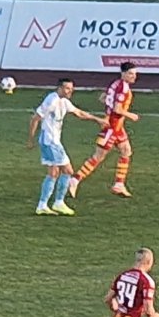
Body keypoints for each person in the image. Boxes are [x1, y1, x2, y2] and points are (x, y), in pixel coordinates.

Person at [29, 78, 103, 216]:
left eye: (72, 88)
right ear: (60, 88)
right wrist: (31, 139)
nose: (70, 91)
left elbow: (79, 113)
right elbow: (35, 118)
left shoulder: (64, 102)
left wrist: (97, 120)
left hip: (51, 141)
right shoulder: (51, 100)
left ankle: (44, 205)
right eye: (68, 88)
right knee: (67, 171)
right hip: (50, 142)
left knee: (53, 173)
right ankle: (57, 203)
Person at [71, 63, 140, 199]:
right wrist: (131, 115)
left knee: (126, 150)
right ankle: (75, 179)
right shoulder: (123, 88)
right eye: (131, 74)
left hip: (117, 127)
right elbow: (117, 109)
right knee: (98, 156)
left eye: (135, 74)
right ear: (123, 73)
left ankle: (119, 184)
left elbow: (103, 98)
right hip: (112, 127)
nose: (134, 77)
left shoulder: (115, 84)